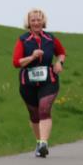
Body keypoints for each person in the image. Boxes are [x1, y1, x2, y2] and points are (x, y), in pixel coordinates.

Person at [12, 9, 66, 157]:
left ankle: (44, 143)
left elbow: (61, 52)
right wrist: (32, 56)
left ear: (43, 21)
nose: (36, 22)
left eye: (38, 20)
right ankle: (38, 142)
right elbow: (16, 62)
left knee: (44, 109)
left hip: (49, 80)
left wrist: (59, 62)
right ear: (28, 23)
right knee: (34, 114)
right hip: (28, 82)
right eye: (33, 20)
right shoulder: (23, 40)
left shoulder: (50, 39)